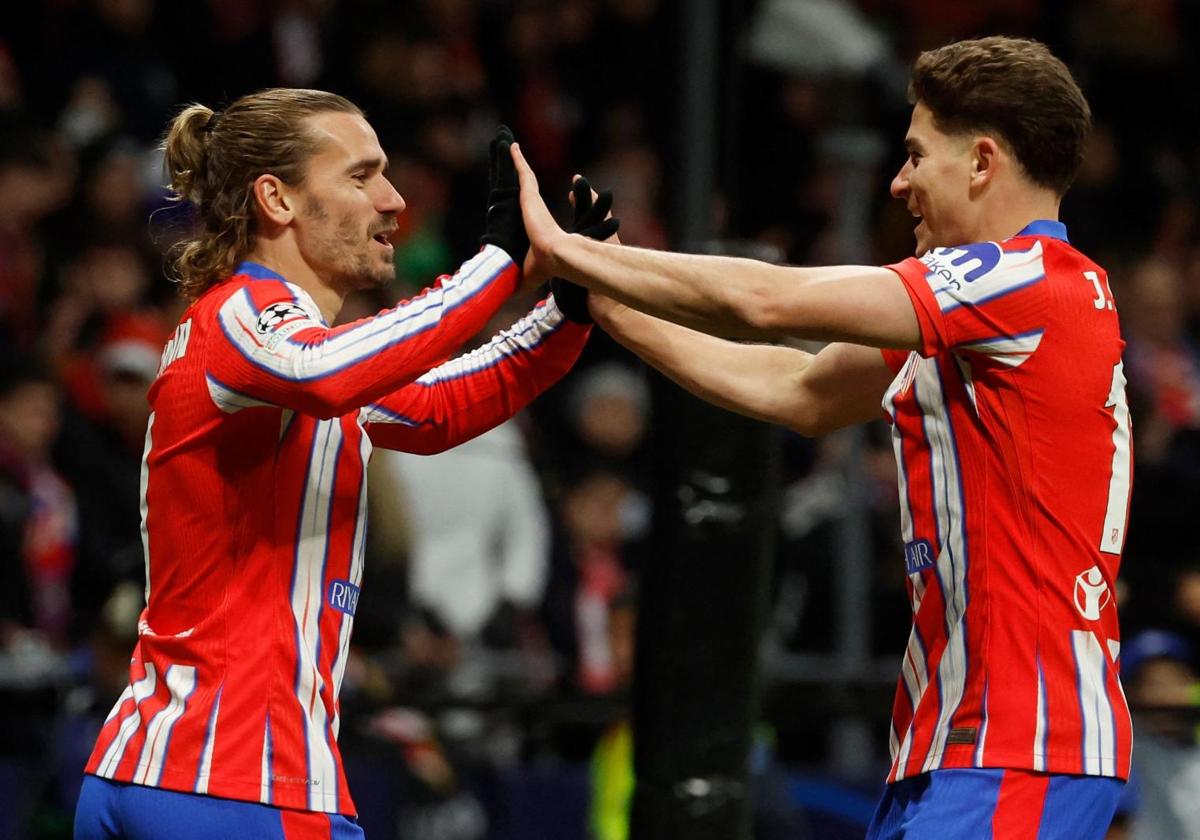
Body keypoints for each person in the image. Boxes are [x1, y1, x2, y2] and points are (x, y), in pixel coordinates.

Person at [513, 36, 1132, 839]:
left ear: (982, 162)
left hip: (1024, 743)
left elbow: (770, 303)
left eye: (915, 155)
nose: (898, 182)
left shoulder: (1023, 281)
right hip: (958, 742)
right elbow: (796, 389)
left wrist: (573, 251)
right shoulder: (992, 309)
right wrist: (607, 302)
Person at [74, 89, 608, 839]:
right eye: (361, 176)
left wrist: (567, 309)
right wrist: (493, 261)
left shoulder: (277, 353)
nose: (393, 201)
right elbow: (325, 373)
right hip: (240, 786)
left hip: (164, 774)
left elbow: (439, 405)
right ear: (277, 199)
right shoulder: (245, 318)